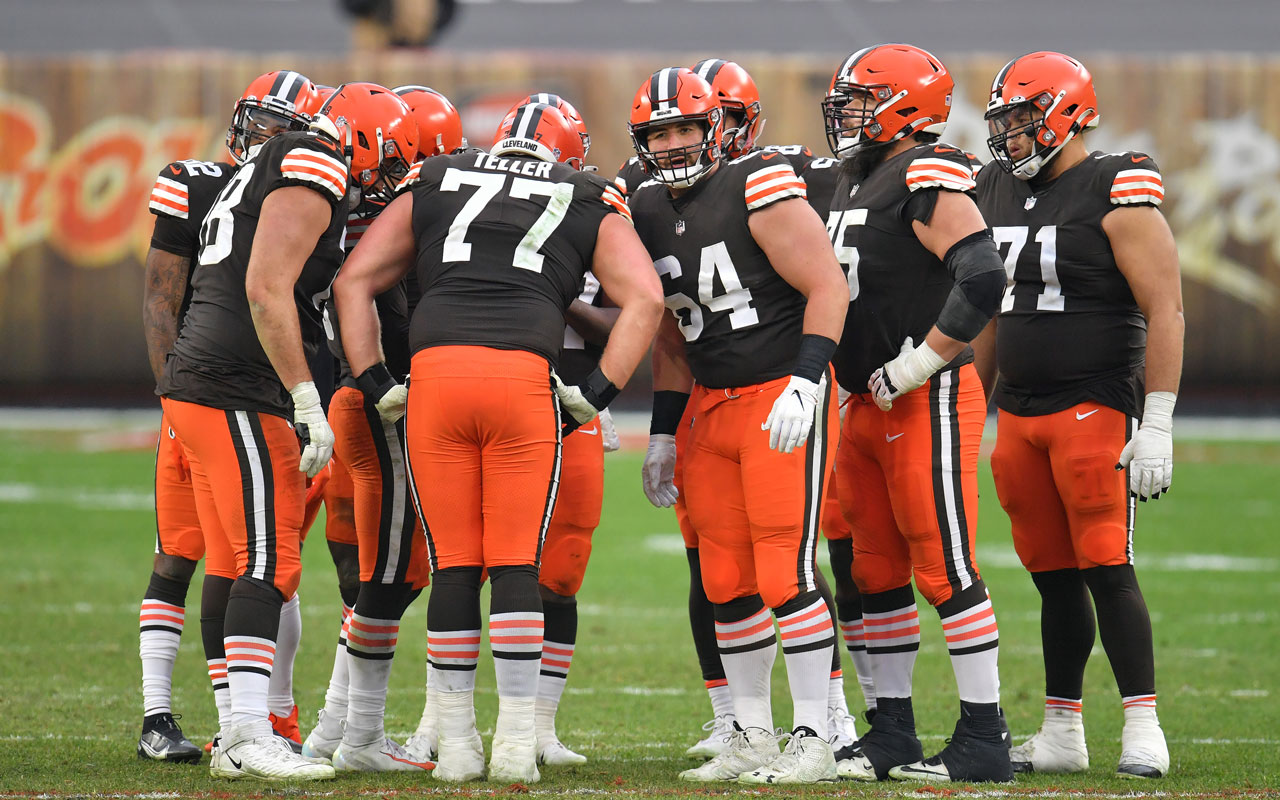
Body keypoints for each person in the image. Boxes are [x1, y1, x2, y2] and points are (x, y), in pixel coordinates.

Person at [331, 102, 663, 784]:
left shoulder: (439, 175)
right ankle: (514, 743)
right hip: (521, 378)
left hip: (437, 378)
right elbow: (647, 301)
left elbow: (353, 280)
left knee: (453, 566)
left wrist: (372, 377)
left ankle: (455, 747)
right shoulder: (585, 194)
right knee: (516, 566)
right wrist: (596, 393)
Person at [157, 81, 412, 781]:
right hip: (237, 384)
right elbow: (268, 289)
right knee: (270, 559)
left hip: (201, 382)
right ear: (359, 138)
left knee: (237, 561)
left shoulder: (267, 166)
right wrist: (305, 395)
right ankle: (247, 733)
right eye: (387, 160)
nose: (384, 181)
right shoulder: (316, 160)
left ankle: (240, 731)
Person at [627, 67, 849, 784]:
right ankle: (752, 734)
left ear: (714, 128)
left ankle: (815, 735)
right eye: (659, 133)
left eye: (686, 127)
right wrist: (664, 431)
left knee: (785, 568)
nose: (675, 143)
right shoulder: (646, 208)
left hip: (781, 395)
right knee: (724, 578)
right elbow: (669, 333)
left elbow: (826, 286)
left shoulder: (760, 183)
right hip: (712, 404)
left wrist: (806, 383)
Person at [973, 51, 1181, 780]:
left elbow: (1166, 307)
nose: (1010, 136)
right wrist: (973, 405)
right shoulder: (994, 187)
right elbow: (990, 313)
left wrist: (1156, 420)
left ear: (1066, 112)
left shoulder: (1114, 184)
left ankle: (1143, 723)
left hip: (1095, 404)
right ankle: (1062, 727)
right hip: (1019, 415)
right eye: (1004, 121)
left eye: (1024, 119)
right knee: (1052, 574)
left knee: (1107, 564)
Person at [819, 44, 1011, 783]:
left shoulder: (924, 175)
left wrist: (921, 360)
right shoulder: (851, 179)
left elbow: (983, 274)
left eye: (861, 101)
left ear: (903, 105)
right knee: (876, 568)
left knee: (944, 562)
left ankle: (984, 737)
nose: (846, 115)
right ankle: (892, 729)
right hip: (865, 398)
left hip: (924, 394)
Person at [137, 69, 321, 764]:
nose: (268, 137)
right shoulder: (202, 180)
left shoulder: (301, 192)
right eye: (263, 120)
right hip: (211, 390)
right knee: (183, 550)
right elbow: (162, 295)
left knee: (248, 554)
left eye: (284, 127)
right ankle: (161, 714)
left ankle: (240, 724)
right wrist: (170, 399)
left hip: (256, 393)